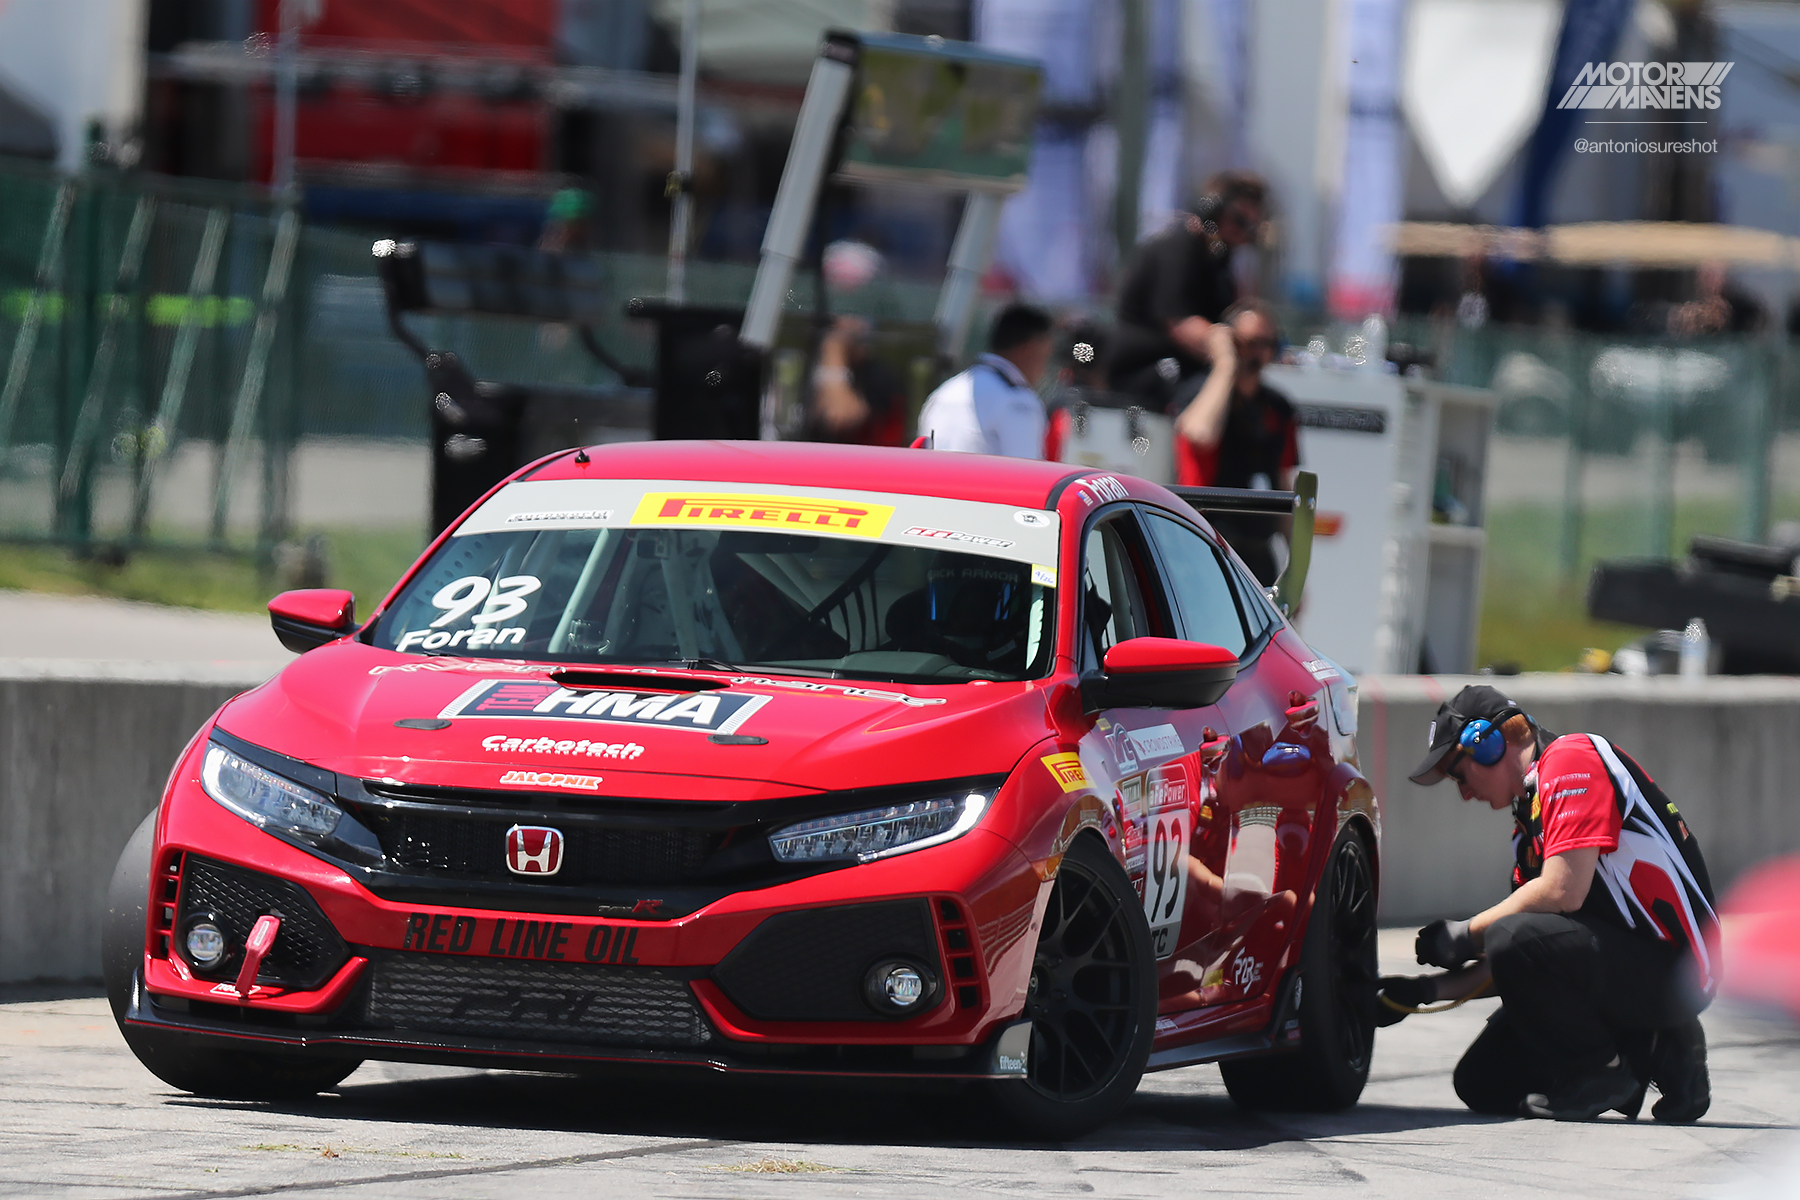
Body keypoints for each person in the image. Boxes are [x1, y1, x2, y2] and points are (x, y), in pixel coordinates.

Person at [1379, 685, 1720, 1122]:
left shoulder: (1571, 760)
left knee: (1507, 935)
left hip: (1677, 971)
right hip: (1625, 967)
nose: (1463, 793)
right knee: (1482, 1082)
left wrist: (1464, 934)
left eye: (1459, 775)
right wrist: (1422, 993)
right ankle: (1655, 1051)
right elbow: (1530, 956)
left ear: (1488, 745)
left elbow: (1562, 892)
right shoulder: (1529, 823)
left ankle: (1611, 1067)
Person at [1107, 170, 1267, 406]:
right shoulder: (1177, 249)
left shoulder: (1219, 260)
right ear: (1211, 210)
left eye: (1251, 226)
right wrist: (1238, 352)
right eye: (1239, 221)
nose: (1243, 233)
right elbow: (1181, 325)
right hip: (1144, 368)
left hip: (1183, 367)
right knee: (1215, 399)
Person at [1171, 300, 1298, 584]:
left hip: (1258, 554)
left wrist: (1295, 569)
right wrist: (1225, 364)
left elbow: (1284, 482)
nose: (1258, 352)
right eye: (1249, 342)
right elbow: (1200, 432)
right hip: (1204, 547)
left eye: (1267, 343)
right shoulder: (1198, 393)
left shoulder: (1279, 407)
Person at [916, 303, 1053, 457]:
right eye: (1045, 357)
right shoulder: (1018, 401)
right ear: (1030, 348)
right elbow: (1029, 471)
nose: (1044, 370)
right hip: (980, 481)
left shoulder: (945, 392)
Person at [808, 315, 908, 446]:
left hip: (866, 460)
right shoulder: (810, 365)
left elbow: (840, 417)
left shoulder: (878, 375)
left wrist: (834, 353)